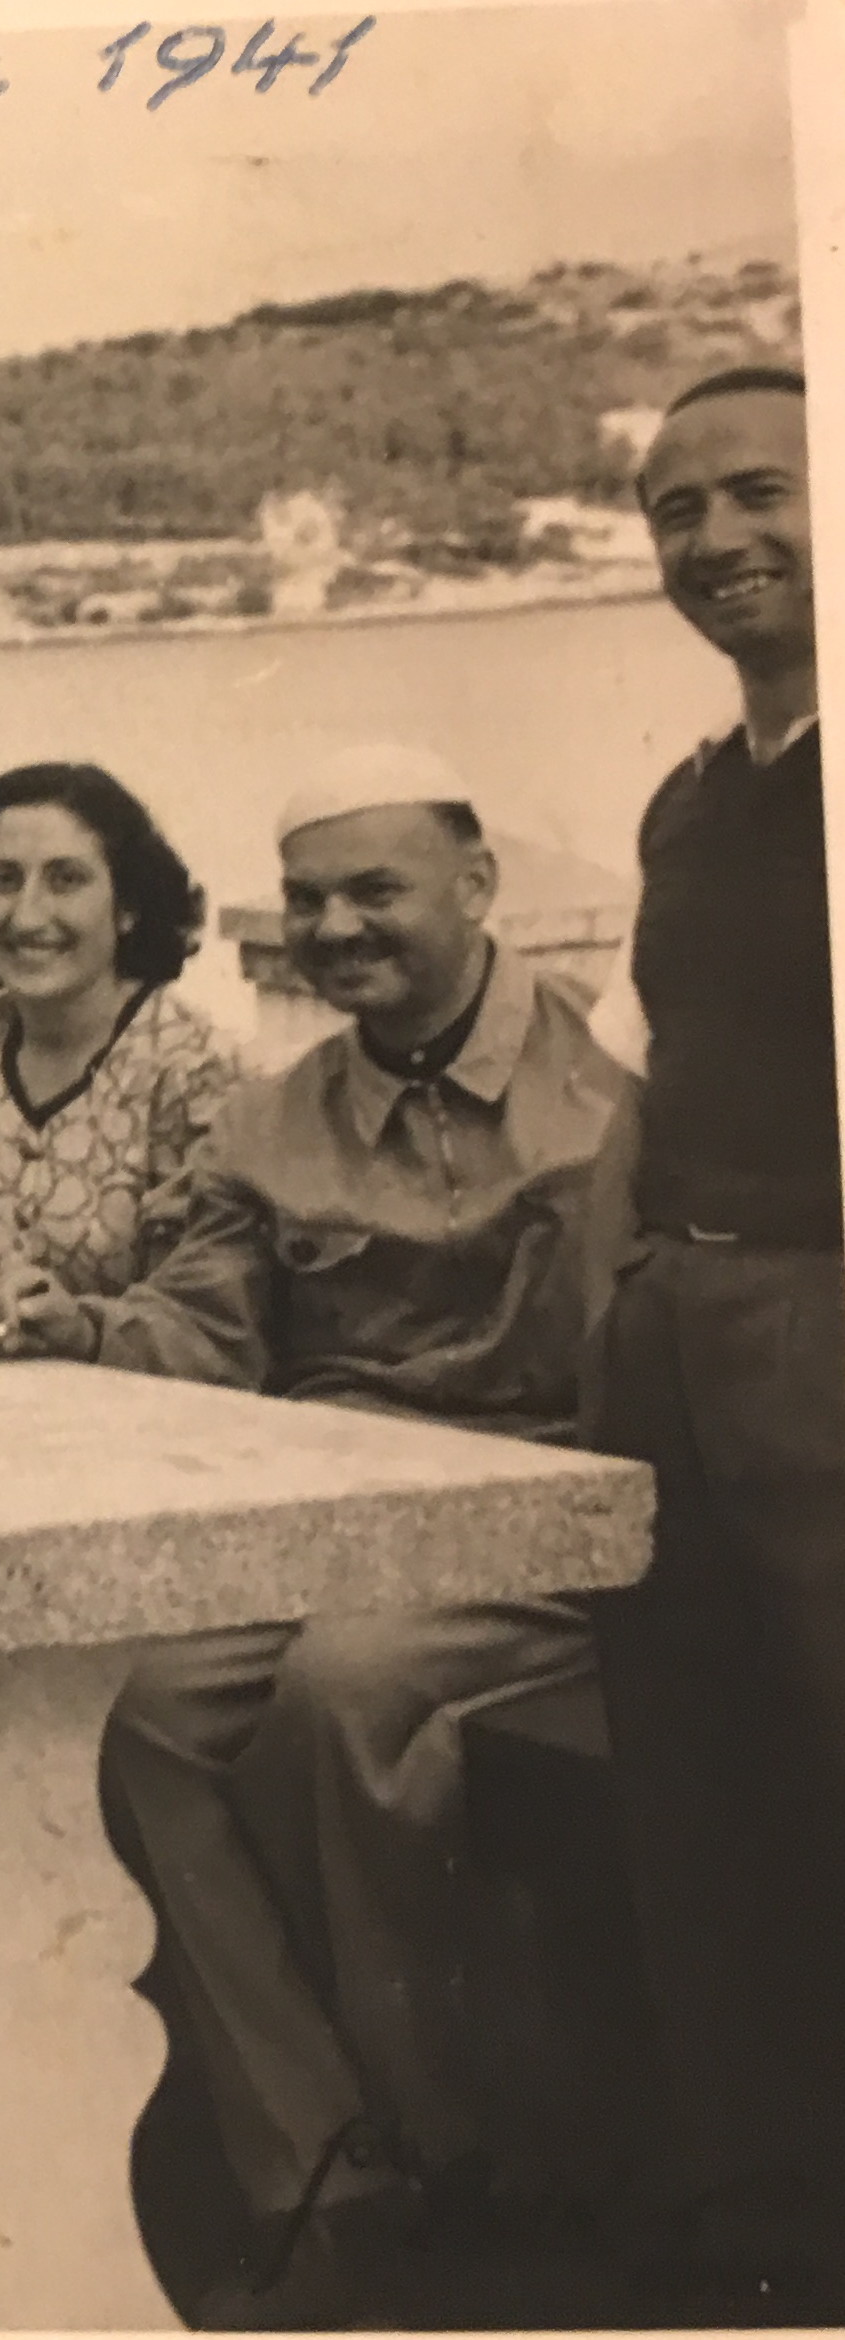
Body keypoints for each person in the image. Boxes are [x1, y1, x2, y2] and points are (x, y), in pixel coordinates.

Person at [0, 751, 632, 2325]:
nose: (335, 929)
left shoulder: (609, 1090)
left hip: (546, 1515)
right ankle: (317, 2163)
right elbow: (207, 1331)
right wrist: (85, 1327)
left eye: (376, 892)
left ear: (477, 889)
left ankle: (453, 2145)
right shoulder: (272, 1119)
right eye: (310, 899)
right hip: (332, 1518)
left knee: (344, 1693)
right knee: (142, 1711)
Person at [582, 364, 845, 2314]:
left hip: (815, 1329)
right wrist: (613, 1317)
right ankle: (767, 2231)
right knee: (695, 1783)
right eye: (677, 511)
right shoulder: (690, 799)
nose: (717, 540)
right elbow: (640, 1084)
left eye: (763, 492)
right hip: (676, 1328)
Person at [0, 761, 238, 1335]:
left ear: (128, 907)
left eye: (66, 880)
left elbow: (184, 1324)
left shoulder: (193, 1069)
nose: (28, 915)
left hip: (123, 1382)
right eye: (3, 880)